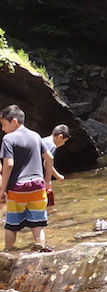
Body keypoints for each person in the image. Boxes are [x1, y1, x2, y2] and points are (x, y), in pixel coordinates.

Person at [0, 104, 54, 252]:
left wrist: (2, 190)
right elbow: (49, 159)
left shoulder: (8, 139)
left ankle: (8, 253)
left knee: (11, 225)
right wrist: (47, 182)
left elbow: (8, 165)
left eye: (4, 124)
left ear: (14, 121)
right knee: (37, 225)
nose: (3, 129)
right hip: (38, 186)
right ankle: (41, 250)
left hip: (18, 188)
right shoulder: (36, 136)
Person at [41, 124, 70, 206]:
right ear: (60, 137)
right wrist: (57, 176)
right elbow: (47, 163)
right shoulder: (52, 145)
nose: (63, 144)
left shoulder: (43, 140)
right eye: (64, 141)